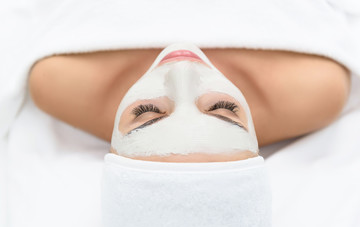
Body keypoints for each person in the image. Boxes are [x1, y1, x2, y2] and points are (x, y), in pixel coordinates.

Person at [29, 42, 350, 159]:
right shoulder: (312, 88)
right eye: (223, 109)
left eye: (148, 112)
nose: (182, 71)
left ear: (112, 150)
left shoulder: (60, 81)